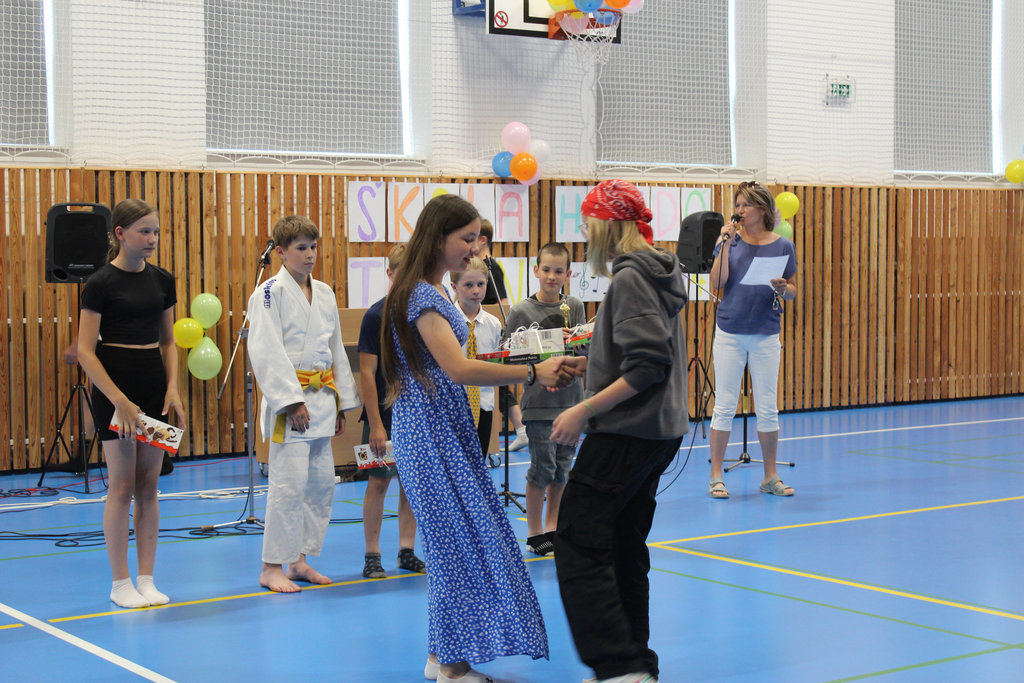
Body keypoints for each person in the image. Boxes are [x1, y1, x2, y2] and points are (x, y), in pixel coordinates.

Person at [380, 194, 578, 683]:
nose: (474, 248)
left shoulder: (429, 290)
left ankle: (441, 656)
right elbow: (459, 368)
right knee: (456, 551)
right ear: (438, 238)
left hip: (442, 430)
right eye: (466, 238)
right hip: (429, 435)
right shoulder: (422, 296)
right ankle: (452, 665)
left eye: (478, 238)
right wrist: (531, 372)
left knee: (454, 547)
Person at [550, 179, 689, 683]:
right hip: (658, 432)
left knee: (579, 540)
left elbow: (649, 363)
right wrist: (591, 364)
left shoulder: (631, 277)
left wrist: (584, 409)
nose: (585, 233)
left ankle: (618, 664)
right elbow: (638, 351)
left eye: (589, 222)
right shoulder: (656, 271)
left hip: (627, 431)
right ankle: (635, 662)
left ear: (607, 224)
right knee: (623, 543)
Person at [77, 198, 186, 609]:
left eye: (155, 231)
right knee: (122, 486)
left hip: (152, 384)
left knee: (149, 486)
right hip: (114, 386)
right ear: (120, 234)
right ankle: (120, 582)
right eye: (144, 231)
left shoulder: (163, 280)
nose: (152, 238)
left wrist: (173, 388)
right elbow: (86, 351)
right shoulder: (100, 283)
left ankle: (147, 578)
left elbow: (169, 342)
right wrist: (119, 401)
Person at [247, 215, 361, 593]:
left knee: (319, 486)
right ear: (280, 252)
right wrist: (290, 402)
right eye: (300, 248)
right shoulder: (268, 294)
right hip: (292, 405)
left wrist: (341, 401)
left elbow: (335, 350)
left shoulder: (325, 292)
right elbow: (265, 351)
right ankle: (271, 566)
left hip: (322, 399)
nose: (310, 254)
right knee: (288, 486)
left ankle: (298, 560)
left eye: (313, 247)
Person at [706, 181, 798, 499]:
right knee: (724, 406)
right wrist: (725, 244)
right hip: (730, 332)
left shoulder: (783, 245)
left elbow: (793, 290)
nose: (740, 210)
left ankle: (770, 476)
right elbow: (717, 282)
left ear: (761, 208)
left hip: (765, 333)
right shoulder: (729, 241)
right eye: (737, 204)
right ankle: (716, 476)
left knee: (768, 408)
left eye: (746, 204)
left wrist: (785, 289)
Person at [502, 242, 585, 557]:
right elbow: (508, 355)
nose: (552, 276)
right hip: (539, 404)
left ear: (568, 274)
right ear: (535, 271)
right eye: (546, 270)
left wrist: (574, 345)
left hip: (572, 402)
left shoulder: (574, 306)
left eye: (558, 271)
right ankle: (534, 532)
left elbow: (583, 349)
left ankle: (553, 526)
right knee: (542, 469)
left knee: (563, 469)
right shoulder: (521, 311)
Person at [357, 243, 424, 579]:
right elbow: (367, 373)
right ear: (390, 273)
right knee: (378, 483)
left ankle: (406, 549)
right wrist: (376, 424)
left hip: (415, 415)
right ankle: (372, 554)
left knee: (411, 485)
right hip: (383, 415)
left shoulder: (422, 315)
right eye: (402, 273)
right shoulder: (375, 316)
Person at [477, 219, 529, 452]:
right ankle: (521, 429)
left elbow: (503, 304)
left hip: (490, 334)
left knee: (497, 383)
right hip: (480, 334)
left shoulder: (489, 266)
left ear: (483, 240)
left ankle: (521, 429)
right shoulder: (482, 266)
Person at [450, 257, 503, 458]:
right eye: (468, 285)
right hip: (452, 406)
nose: (476, 291)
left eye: (481, 284)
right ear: (454, 286)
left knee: (478, 463)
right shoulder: (445, 321)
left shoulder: (494, 324)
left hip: (483, 405)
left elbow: (494, 365)